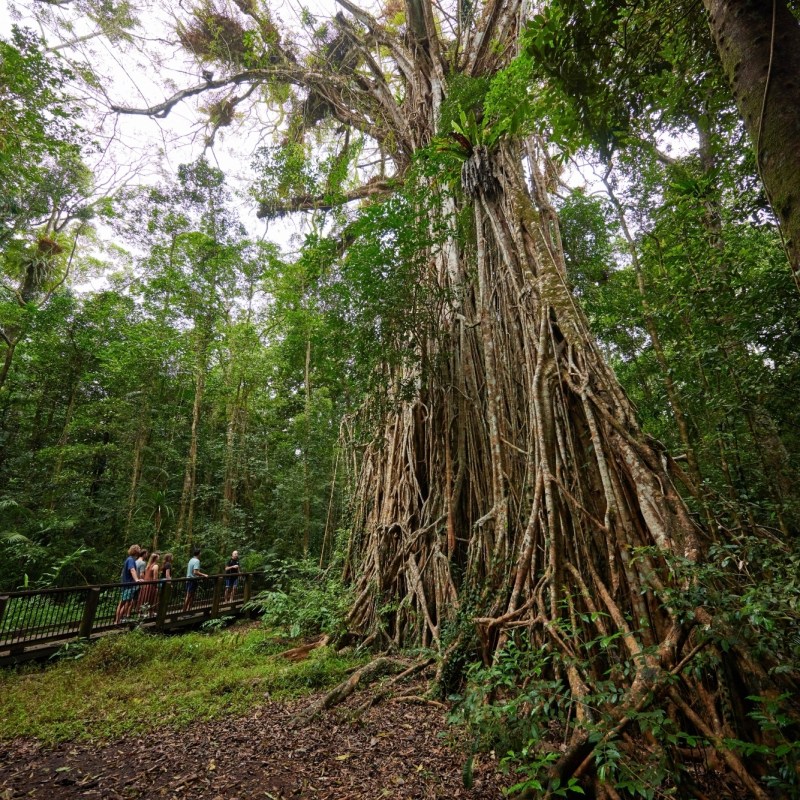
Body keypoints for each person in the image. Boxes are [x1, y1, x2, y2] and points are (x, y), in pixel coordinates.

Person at [115, 545, 141, 623]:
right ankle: (117, 621)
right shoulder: (130, 560)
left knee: (127, 601)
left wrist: (138, 579)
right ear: (136, 550)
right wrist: (137, 580)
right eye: (139, 548)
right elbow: (132, 570)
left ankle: (119, 620)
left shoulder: (130, 559)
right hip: (128, 585)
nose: (140, 549)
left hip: (128, 584)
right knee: (123, 602)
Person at [182, 547, 208, 612]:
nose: (201, 554)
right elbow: (195, 572)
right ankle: (184, 611)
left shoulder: (191, 559)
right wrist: (204, 575)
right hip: (192, 580)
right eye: (200, 553)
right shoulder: (197, 561)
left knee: (191, 596)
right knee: (189, 596)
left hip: (189, 579)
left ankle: (188, 610)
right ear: (198, 554)